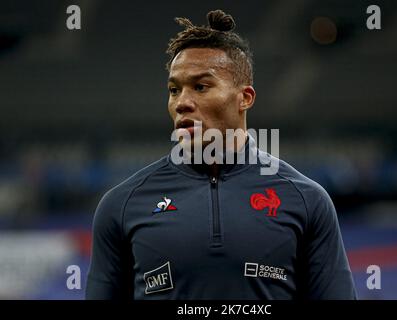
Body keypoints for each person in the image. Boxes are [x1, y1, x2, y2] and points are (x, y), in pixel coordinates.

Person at [86, 9, 357, 300]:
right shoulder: (121, 205)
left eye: (201, 87)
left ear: (245, 98)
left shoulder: (307, 200)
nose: (182, 103)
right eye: (174, 90)